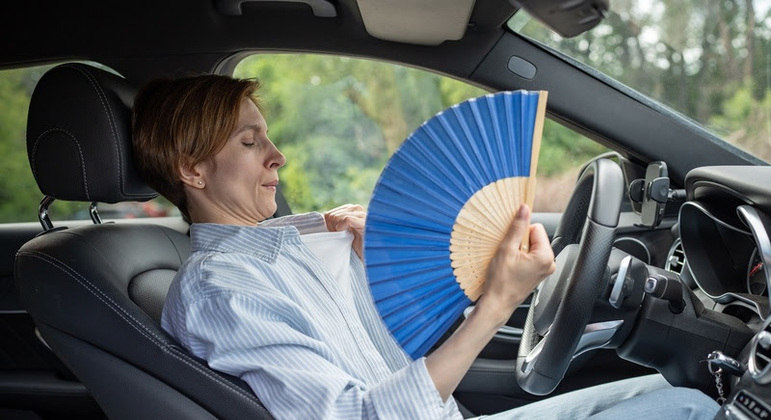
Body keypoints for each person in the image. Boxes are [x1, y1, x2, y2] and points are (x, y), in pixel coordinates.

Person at [131, 74, 720, 419]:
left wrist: (375, 268)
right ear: (193, 170)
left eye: (269, 136)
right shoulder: (221, 288)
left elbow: (390, 348)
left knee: (683, 392)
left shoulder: (302, 239)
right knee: (693, 409)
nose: (277, 155)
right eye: (249, 141)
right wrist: (494, 304)